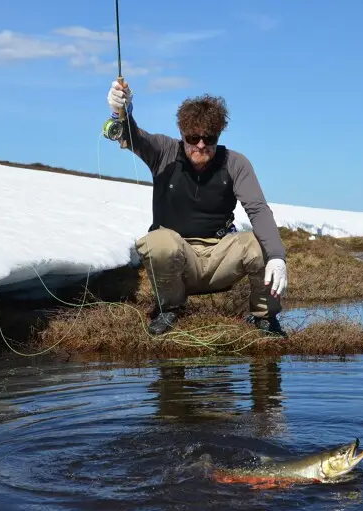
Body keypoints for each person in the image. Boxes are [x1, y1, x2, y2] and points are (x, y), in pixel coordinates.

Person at [107, 80, 288, 337]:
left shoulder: (236, 163)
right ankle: (169, 309)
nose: (201, 145)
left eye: (209, 138)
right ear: (182, 134)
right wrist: (121, 111)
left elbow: (258, 209)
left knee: (259, 244)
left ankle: (264, 317)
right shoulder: (163, 151)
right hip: (179, 260)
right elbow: (131, 135)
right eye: (193, 138)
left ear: (218, 135)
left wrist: (277, 257)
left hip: (220, 258)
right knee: (158, 242)